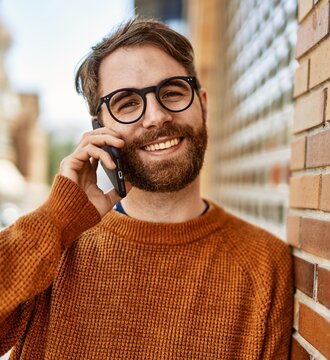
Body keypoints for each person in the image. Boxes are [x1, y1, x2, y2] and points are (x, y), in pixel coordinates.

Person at [0, 18, 293, 359]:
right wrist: (55, 219)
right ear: (100, 129)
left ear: (203, 104)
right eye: (127, 103)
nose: (156, 117)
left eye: (171, 92)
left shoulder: (264, 263)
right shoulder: (53, 247)